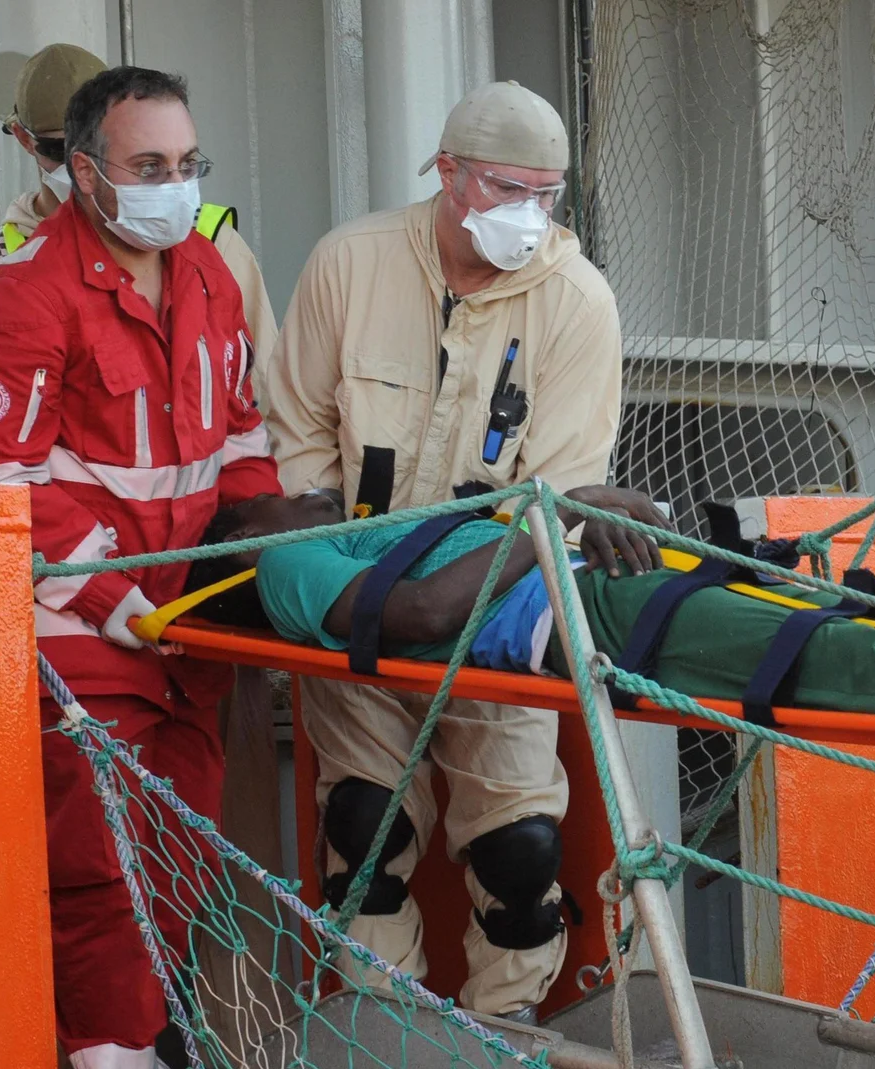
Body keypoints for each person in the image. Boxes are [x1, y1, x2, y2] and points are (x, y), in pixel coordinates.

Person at [259, 80, 625, 1022]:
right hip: (356, 601)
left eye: (548, 195)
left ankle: (502, 1031)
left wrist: (451, 592)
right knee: (361, 832)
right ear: (448, 172)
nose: (529, 216)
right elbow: (296, 426)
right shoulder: (351, 263)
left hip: (495, 600)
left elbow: (563, 487)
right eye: (508, 189)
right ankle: (390, 1030)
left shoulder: (579, 304)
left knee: (522, 852)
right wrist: (335, 552)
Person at [0, 66, 281, 1069]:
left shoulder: (209, 276)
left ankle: (130, 1036)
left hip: (190, 633)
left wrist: (254, 537)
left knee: (177, 862)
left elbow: (242, 434)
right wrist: (113, 596)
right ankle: (106, 1052)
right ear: (84, 172)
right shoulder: (22, 296)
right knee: (101, 871)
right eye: (148, 166)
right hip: (81, 640)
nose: (173, 186)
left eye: (187, 164)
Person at [180, 488, 875, 725]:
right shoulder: (282, 560)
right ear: (243, 531)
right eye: (274, 496)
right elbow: (420, 616)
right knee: (834, 658)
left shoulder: (358, 532)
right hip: (592, 613)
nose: (302, 492)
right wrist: (555, 521)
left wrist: (585, 511)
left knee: (849, 626)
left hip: (617, 579)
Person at [0, 42, 276, 483]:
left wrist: (260, 518)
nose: (78, 167)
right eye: (60, 147)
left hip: (206, 533)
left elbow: (262, 396)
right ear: (24, 138)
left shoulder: (207, 242)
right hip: (76, 542)